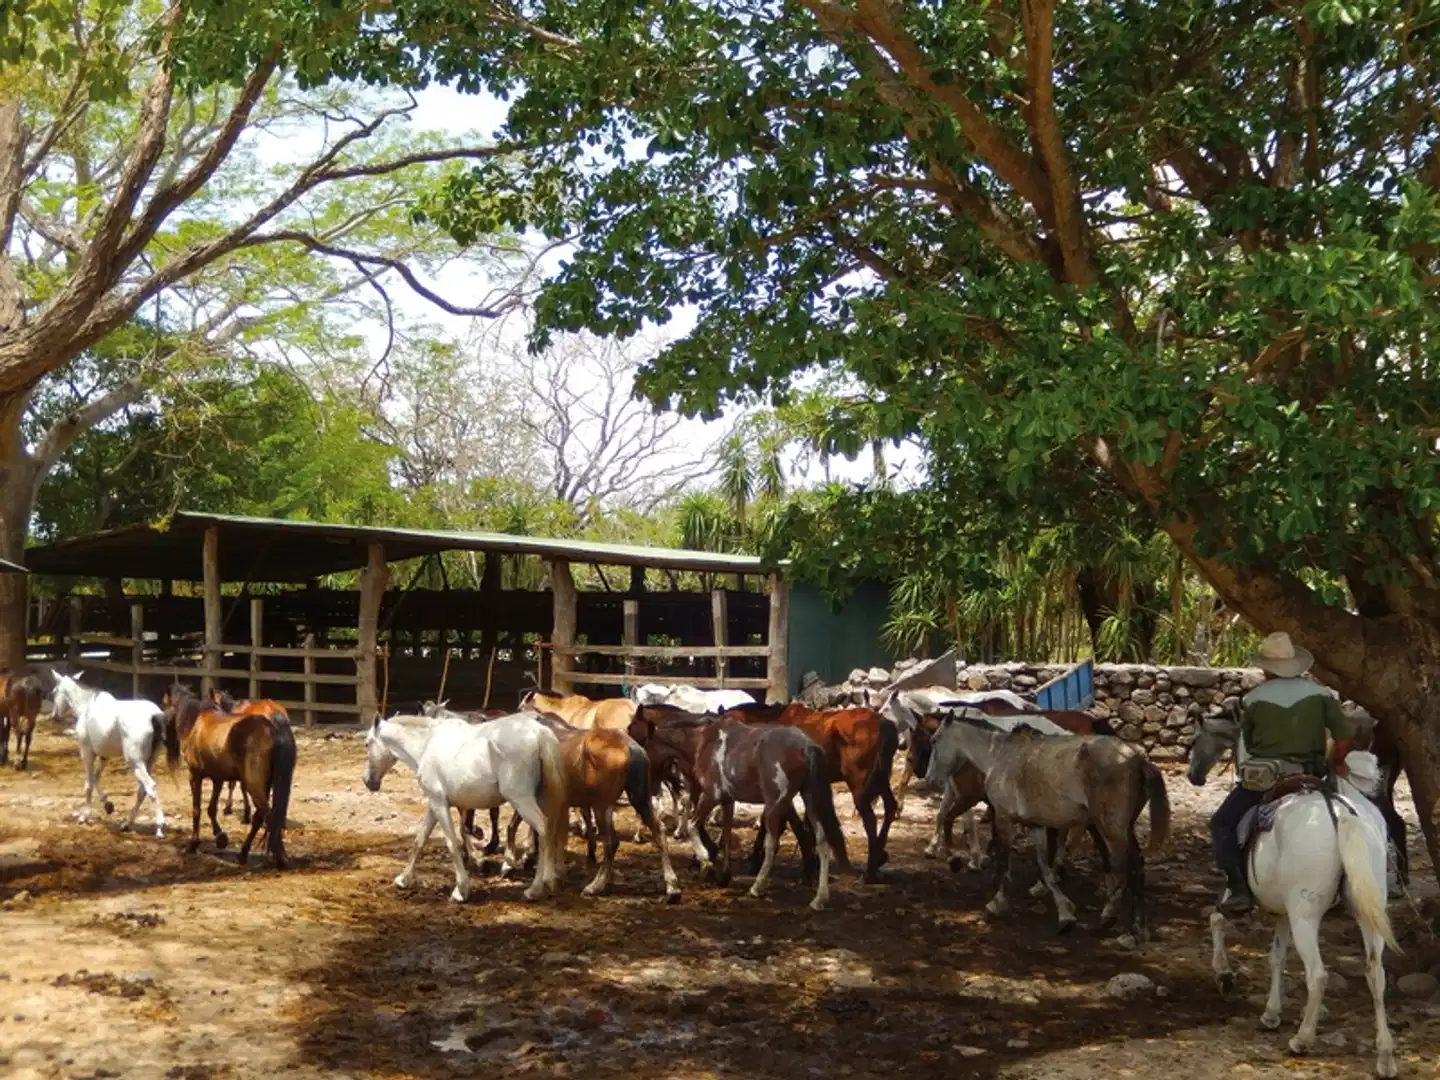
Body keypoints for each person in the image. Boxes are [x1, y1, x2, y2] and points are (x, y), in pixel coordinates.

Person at [1210, 631, 1355, 916]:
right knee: (1354, 817)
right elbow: (1345, 737)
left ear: (1266, 668)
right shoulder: (1322, 695)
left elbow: (1248, 745)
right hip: (1311, 776)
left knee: (1221, 824)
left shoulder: (1254, 699)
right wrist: (1338, 761)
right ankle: (1348, 884)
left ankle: (1238, 888)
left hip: (1266, 780)